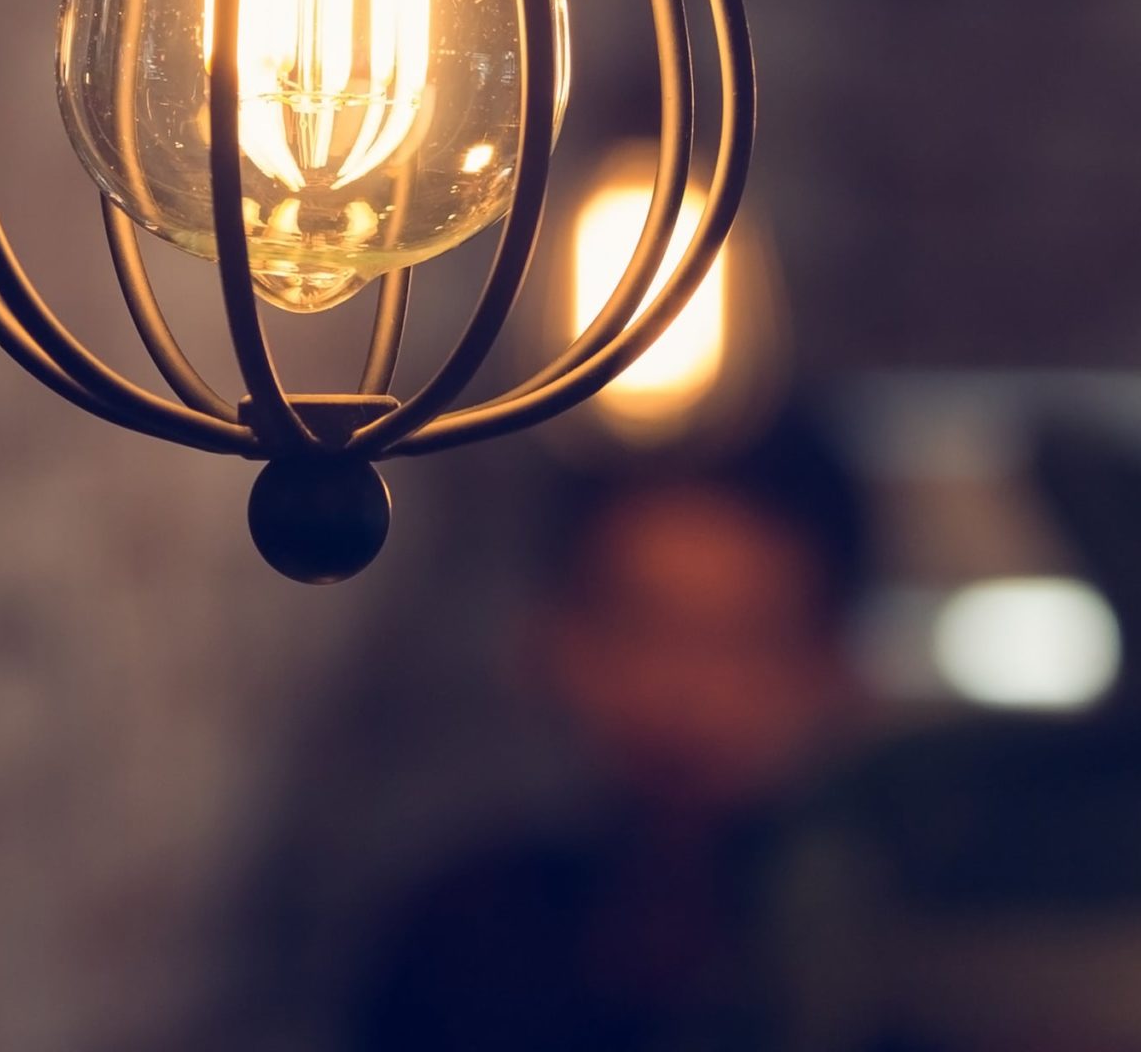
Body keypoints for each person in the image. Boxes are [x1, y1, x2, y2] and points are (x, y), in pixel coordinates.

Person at [351, 410, 874, 1052]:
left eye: (746, 640)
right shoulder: (464, 938)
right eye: (639, 627)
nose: (685, 690)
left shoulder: (898, 957)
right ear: (551, 640)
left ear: (834, 666)